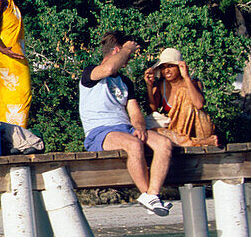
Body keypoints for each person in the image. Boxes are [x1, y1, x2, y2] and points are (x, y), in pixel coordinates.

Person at [79, 30, 174, 215]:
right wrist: (128, 48)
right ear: (117, 51)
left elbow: (134, 112)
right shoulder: (90, 73)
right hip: (100, 132)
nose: (129, 59)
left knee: (164, 144)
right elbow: (108, 69)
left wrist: (139, 127)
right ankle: (147, 195)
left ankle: (152, 195)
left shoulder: (125, 82)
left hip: (126, 128)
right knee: (134, 144)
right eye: (127, 54)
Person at [143, 47, 219, 147]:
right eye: (163, 67)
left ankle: (193, 141)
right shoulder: (161, 85)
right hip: (177, 133)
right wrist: (149, 86)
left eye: (170, 66)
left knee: (183, 92)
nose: (167, 70)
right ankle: (198, 143)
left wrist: (186, 77)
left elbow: (199, 105)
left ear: (179, 67)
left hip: (199, 129)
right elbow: (152, 110)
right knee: (152, 133)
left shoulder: (192, 83)